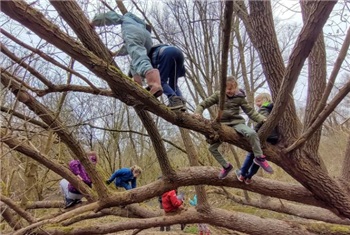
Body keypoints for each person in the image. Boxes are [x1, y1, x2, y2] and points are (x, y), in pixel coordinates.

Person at [194, 76, 273, 179]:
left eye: (231, 89)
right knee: (212, 148)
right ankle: (226, 166)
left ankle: (259, 157)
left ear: (236, 87)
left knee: (252, 133)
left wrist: (262, 119)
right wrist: (197, 113)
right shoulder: (218, 95)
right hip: (222, 125)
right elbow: (203, 104)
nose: (229, 91)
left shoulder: (239, 97)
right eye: (226, 89)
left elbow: (250, 111)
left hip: (237, 123)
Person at [91, 11, 163, 97]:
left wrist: (94, 22)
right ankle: (138, 86)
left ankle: (155, 84)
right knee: (134, 63)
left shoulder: (125, 17)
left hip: (135, 33)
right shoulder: (140, 24)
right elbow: (128, 47)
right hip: (148, 39)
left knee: (139, 58)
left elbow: (109, 17)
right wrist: (115, 53)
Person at [235, 93, 279, 184]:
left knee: (251, 153)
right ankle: (249, 177)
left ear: (265, 99)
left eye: (259, 101)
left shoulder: (264, 108)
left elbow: (262, 120)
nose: (257, 104)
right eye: (256, 102)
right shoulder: (273, 109)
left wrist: (253, 131)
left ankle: (242, 174)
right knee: (259, 158)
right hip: (274, 138)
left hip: (266, 136)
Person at [148, 44, 186, 110]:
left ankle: (174, 100)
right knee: (173, 84)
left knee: (160, 81)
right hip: (179, 53)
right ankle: (181, 102)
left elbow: (155, 80)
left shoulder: (147, 60)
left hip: (167, 53)